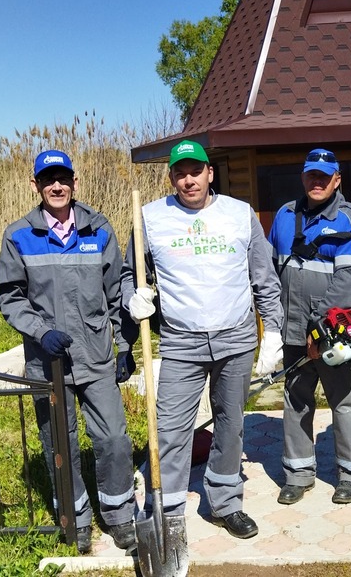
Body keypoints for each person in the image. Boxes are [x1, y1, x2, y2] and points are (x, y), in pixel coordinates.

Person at [123, 139, 284, 540]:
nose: (189, 179)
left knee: (230, 424)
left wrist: (274, 331)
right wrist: (133, 298)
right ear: (171, 177)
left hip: (236, 338)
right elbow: (131, 274)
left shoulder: (239, 214)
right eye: (180, 172)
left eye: (196, 171)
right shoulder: (150, 218)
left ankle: (226, 502)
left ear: (210, 172)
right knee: (173, 428)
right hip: (181, 343)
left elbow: (264, 277)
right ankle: (168, 510)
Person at [0, 149, 138, 554]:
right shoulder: (18, 235)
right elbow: (9, 296)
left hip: (95, 356)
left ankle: (119, 514)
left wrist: (125, 346)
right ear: (35, 185)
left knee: (113, 438)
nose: (56, 186)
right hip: (48, 361)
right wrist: (41, 332)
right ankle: (74, 519)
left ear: (74, 183)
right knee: (60, 442)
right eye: (47, 179)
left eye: (63, 178)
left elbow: (116, 294)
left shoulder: (99, 229)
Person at [268, 148, 351, 506]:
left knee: (345, 403)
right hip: (291, 333)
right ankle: (298, 474)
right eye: (312, 174)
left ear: (337, 180)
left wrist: (317, 330)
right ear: (303, 176)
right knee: (296, 402)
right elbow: (269, 273)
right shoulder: (283, 217)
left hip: (333, 337)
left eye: (324, 176)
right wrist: (270, 327)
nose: (317, 181)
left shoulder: (348, 222)